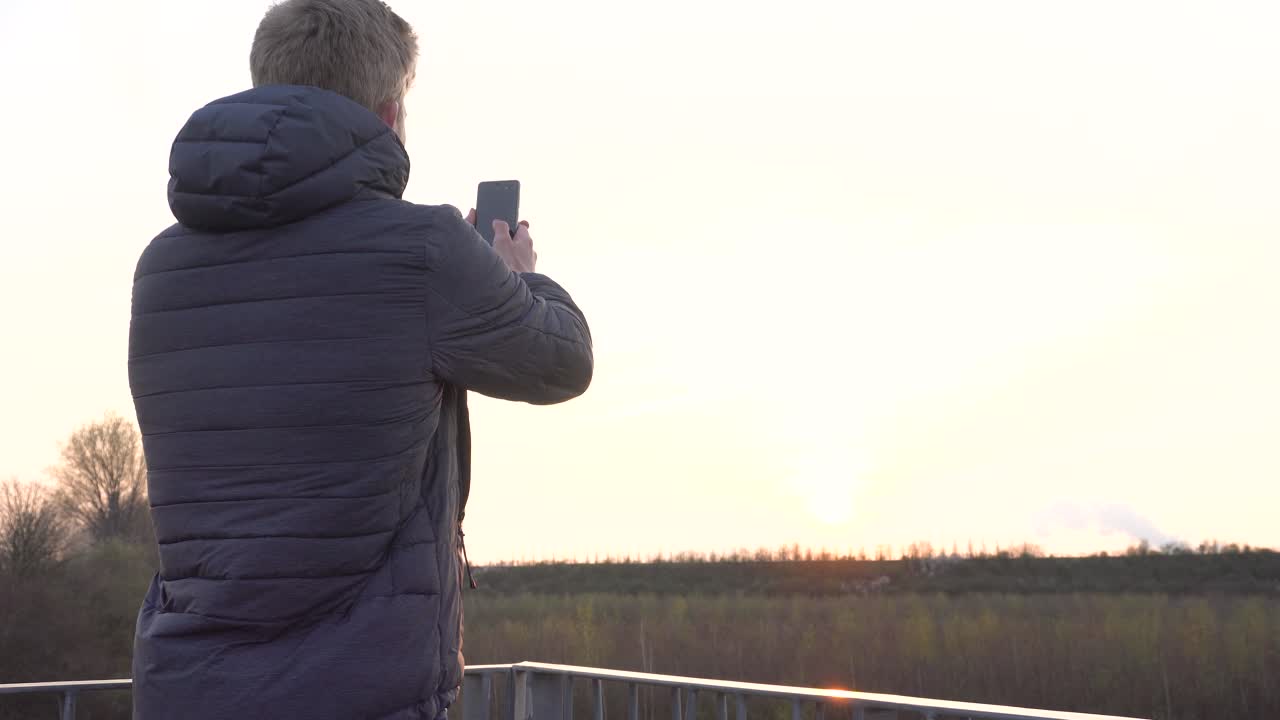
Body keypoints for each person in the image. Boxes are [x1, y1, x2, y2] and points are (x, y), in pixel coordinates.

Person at [126, 1, 593, 718]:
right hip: (359, 689)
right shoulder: (424, 252)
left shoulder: (162, 267)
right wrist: (515, 273)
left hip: (190, 688)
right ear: (389, 112)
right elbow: (562, 361)